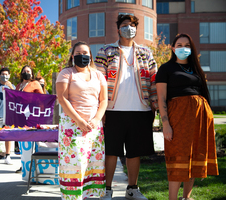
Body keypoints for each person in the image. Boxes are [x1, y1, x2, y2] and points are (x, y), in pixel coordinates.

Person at [95, 14, 158, 200]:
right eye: (124, 25)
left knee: (135, 152)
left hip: (141, 110)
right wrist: (101, 109)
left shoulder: (146, 53)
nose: (128, 28)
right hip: (113, 111)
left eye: (132, 25)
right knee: (111, 151)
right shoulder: (105, 51)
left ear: (136, 29)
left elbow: (154, 80)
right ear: (118, 29)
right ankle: (107, 190)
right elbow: (98, 82)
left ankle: (132, 189)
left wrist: (153, 105)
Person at [156, 33, 219, 200]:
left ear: (191, 49)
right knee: (178, 156)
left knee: (194, 156)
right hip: (178, 116)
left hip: (200, 117)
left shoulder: (196, 69)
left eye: (187, 45)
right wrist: (165, 123)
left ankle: (187, 197)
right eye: (179, 44)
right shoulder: (165, 69)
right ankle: (172, 198)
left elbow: (203, 94)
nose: (183, 48)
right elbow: (161, 97)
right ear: (173, 48)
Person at [56, 41, 108, 200]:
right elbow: (62, 99)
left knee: (93, 164)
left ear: (90, 55)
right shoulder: (66, 73)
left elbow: (104, 100)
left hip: (94, 127)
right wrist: (78, 121)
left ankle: (89, 196)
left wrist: (97, 119)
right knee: (76, 164)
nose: (82, 56)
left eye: (85, 53)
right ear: (72, 56)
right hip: (72, 127)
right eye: (78, 53)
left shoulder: (99, 74)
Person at [15, 65, 44, 173]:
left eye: (28, 71)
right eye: (24, 71)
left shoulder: (35, 83)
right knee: (22, 141)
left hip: (32, 116)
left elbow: (42, 98)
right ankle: (24, 164)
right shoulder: (18, 85)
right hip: (20, 116)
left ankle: (35, 166)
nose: (26, 73)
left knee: (32, 140)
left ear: (32, 74)